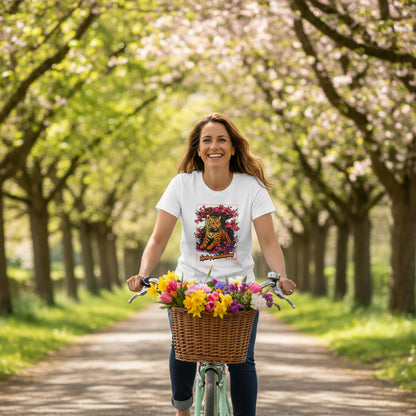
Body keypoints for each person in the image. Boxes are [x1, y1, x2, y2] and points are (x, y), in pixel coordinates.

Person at [127, 112, 296, 416]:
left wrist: (281, 277)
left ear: (233, 148)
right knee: (183, 349)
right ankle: (182, 409)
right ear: (197, 148)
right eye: (207, 140)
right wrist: (143, 274)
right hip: (189, 286)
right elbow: (158, 238)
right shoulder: (181, 185)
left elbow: (269, 241)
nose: (214, 146)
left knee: (243, 361)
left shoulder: (251, 188)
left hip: (239, 289)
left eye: (222, 140)